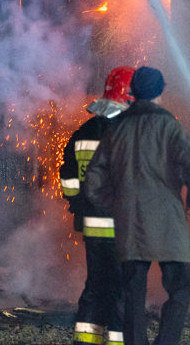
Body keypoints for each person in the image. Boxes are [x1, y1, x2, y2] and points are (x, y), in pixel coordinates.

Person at [85, 66, 190, 345]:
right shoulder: (169, 126)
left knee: (132, 295)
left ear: (133, 93)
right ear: (160, 92)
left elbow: (92, 181)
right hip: (169, 226)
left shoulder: (116, 129)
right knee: (179, 289)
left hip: (130, 227)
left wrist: (116, 204)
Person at [60, 66, 135, 345]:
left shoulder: (83, 132)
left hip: (92, 226)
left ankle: (86, 339)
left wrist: (79, 206)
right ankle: (118, 340)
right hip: (121, 226)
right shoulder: (129, 134)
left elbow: (67, 178)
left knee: (95, 284)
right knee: (120, 288)